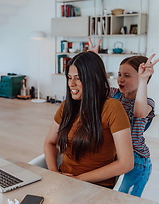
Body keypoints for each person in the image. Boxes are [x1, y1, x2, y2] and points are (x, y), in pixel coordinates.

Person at [44, 51, 134, 189]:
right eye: (69, 77)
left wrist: (79, 179)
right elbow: (50, 142)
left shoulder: (113, 108)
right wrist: (54, 173)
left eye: (78, 78)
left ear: (93, 79)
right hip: (63, 181)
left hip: (96, 187)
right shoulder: (67, 106)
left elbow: (126, 163)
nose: (71, 84)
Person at [87, 38, 159, 196]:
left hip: (137, 161)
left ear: (144, 78)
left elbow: (139, 113)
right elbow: (95, 86)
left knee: (127, 200)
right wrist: (93, 61)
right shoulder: (114, 93)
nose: (121, 78)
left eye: (127, 75)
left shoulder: (147, 103)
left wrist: (143, 79)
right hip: (114, 155)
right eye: (120, 74)